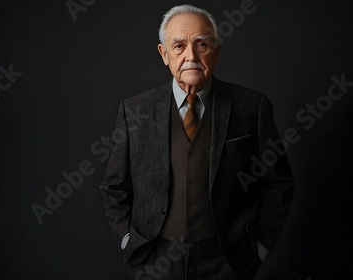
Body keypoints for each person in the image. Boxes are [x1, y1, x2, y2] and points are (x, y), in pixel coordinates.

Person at [99, 4, 294, 280]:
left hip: (227, 260)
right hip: (152, 261)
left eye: (201, 44)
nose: (190, 55)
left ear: (216, 52)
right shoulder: (134, 110)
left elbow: (278, 183)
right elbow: (113, 187)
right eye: (178, 46)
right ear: (164, 54)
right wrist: (126, 240)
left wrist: (259, 247)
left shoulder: (252, 107)